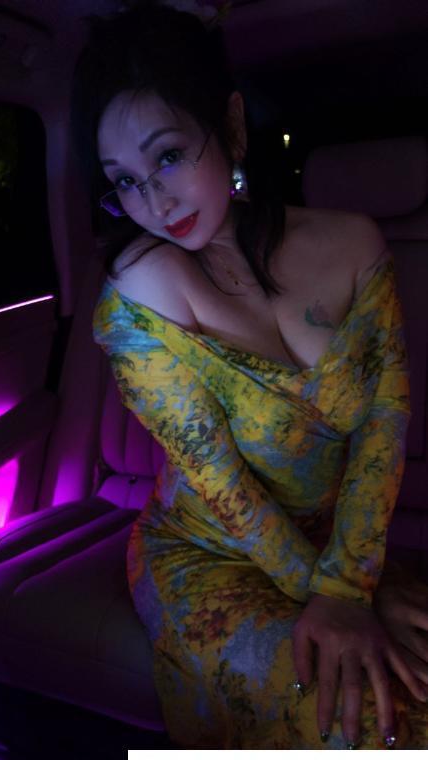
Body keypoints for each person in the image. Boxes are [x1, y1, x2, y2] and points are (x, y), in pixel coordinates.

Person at [71, 0, 428, 749]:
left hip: (340, 554)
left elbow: (382, 425)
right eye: (124, 181)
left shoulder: (355, 246)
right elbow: (220, 484)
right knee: (374, 727)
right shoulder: (144, 289)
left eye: (168, 157)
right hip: (207, 554)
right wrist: (341, 598)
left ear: (231, 126)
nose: (153, 202)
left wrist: (353, 584)